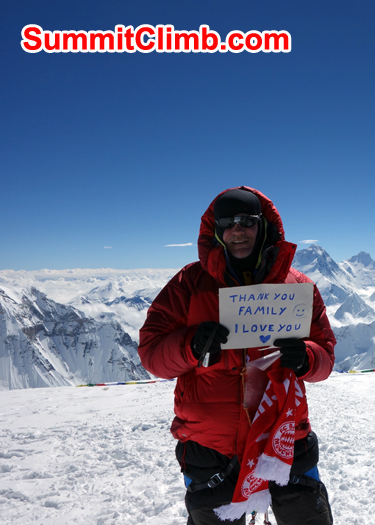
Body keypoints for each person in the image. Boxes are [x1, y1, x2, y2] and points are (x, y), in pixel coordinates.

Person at [138, 187, 335, 525]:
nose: (236, 231)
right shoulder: (188, 284)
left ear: (263, 227)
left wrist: (306, 358)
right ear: (216, 231)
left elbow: (326, 356)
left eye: (246, 221)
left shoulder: (297, 287)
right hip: (211, 446)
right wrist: (190, 346)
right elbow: (152, 355)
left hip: (284, 436)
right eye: (227, 223)